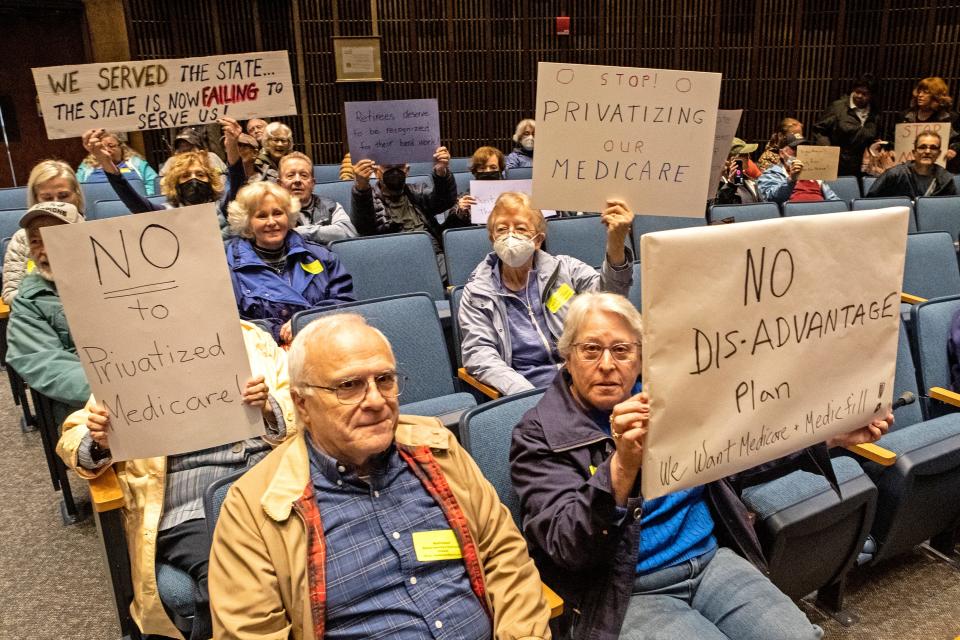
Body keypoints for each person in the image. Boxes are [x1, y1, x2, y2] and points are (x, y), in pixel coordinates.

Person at [510, 291, 893, 640]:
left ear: (641, 357)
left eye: (622, 350)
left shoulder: (668, 397)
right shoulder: (539, 433)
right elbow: (566, 545)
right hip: (626, 589)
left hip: (709, 560)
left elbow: (740, 457)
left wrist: (829, 436)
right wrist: (622, 466)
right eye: (591, 349)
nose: (607, 364)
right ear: (568, 355)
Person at [208, 313, 552, 639]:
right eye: (349, 385)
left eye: (384, 380)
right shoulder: (254, 507)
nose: (376, 400)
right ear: (302, 405)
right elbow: (251, 632)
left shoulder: (437, 449)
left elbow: (504, 556)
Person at [57, 320, 297, 640]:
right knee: (236, 582)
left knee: (317, 559)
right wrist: (98, 438)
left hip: (268, 478)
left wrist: (270, 408)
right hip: (188, 500)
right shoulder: (129, 356)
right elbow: (74, 437)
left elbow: (306, 403)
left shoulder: (251, 339)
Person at [459, 192, 634, 396]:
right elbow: (479, 355)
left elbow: (611, 301)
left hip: (585, 378)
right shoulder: (478, 293)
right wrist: (526, 395)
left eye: (521, 229)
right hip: (528, 391)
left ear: (538, 240)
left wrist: (616, 243)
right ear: (492, 238)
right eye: (502, 229)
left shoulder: (565, 269)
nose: (510, 236)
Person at [225, 181, 355, 345]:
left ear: (289, 217)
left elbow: (345, 302)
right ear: (247, 223)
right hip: (266, 354)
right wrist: (276, 330)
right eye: (262, 216)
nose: (272, 222)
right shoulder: (228, 269)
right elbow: (229, 324)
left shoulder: (321, 257)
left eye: (278, 213)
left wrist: (306, 322)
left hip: (322, 343)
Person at [5, 202, 89, 424]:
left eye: (54, 237)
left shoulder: (120, 279)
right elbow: (45, 363)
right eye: (35, 241)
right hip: (86, 409)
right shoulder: (29, 301)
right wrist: (115, 390)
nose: (44, 250)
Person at [82, 118, 246, 215]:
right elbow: (132, 200)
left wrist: (232, 145)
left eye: (200, 174)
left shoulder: (224, 208)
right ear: (175, 184)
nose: (194, 179)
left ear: (211, 181)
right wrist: (105, 162)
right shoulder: (166, 212)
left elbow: (236, 179)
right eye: (185, 176)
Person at [350, 146, 459, 275]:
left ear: (407, 171)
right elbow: (363, 227)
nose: (395, 172)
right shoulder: (368, 199)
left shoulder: (417, 192)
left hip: (432, 253)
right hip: (394, 259)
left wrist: (441, 172)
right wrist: (361, 188)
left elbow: (444, 201)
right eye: (388, 168)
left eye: (400, 167)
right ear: (377, 171)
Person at [2, 160, 85, 305]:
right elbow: (10, 294)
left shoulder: (92, 232)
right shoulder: (22, 239)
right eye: (47, 198)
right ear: (35, 199)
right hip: (38, 318)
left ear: (76, 195)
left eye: (63, 195)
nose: (57, 202)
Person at [276, 151, 357, 243]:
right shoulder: (271, 210)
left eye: (304, 175)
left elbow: (349, 232)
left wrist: (302, 232)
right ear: (279, 184)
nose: (297, 180)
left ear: (313, 184)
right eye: (290, 175)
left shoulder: (329, 206)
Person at [812, 74, 883, 176]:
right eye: (857, 91)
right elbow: (818, 129)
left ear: (871, 95)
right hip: (836, 163)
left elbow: (873, 136)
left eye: (864, 94)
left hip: (862, 166)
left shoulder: (874, 113)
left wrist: (876, 145)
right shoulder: (838, 107)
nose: (859, 96)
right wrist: (827, 149)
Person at [866, 131, 958, 198]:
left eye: (933, 148)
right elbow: (871, 202)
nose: (927, 151)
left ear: (939, 153)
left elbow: (950, 209)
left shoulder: (946, 179)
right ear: (914, 152)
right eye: (922, 147)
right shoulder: (895, 174)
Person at [897, 77, 960, 172]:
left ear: (936, 96)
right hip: (909, 170)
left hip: (940, 169)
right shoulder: (905, 116)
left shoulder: (951, 118)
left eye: (926, 92)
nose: (920, 95)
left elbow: (958, 140)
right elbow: (894, 139)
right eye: (919, 92)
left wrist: (953, 149)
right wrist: (890, 149)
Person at [757, 134, 841, 204]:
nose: (800, 153)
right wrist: (791, 179)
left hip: (821, 215)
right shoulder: (771, 173)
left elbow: (833, 199)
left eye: (803, 148)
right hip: (791, 218)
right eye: (795, 149)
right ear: (782, 153)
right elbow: (771, 199)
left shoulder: (813, 171)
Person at [75, 131, 159, 195]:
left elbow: (154, 185)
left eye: (111, 146)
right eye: (101, 147)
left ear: (121, 147)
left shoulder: (136, 163)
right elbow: (77, 191)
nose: (107, 150)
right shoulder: (87, 167)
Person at [444, 145, 506, 224]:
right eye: (482, 168)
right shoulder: (465, 197)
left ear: (500, 169)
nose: (488, 171)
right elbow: (450, 229)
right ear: (475, 171)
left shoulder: (511, 195)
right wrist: (461, 211)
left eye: (493, 167)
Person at [160, 127, 228, 178]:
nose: (184, 148)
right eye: (180, 146)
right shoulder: (172, 161)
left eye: (188, 146)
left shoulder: (211, 157)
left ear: (198, 147)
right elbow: (161, 182)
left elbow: (224, 179)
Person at [715, 138, 761, 204]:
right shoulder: (718, 183)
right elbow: (720, 207)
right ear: (729, 160)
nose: (748, 158)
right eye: (744, 155)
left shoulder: (748, 180)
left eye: (748, 155)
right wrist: (731, 184)